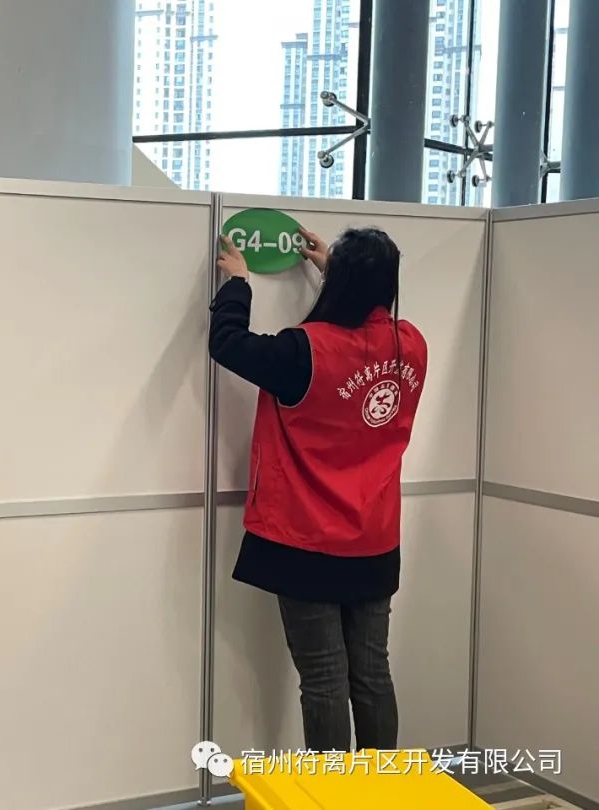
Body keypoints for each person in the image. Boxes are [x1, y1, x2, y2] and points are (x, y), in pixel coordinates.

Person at [209, 226, 427, 753]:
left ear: (343, 280)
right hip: (374, 538)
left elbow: (228, 343)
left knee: (324, 675)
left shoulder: (305, 351)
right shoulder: (410, 345)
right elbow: (367, 328)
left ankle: (331, 791)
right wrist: (342, 270)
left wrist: (237, 283)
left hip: (306, 538)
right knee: (372, 670)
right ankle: (379, 786)